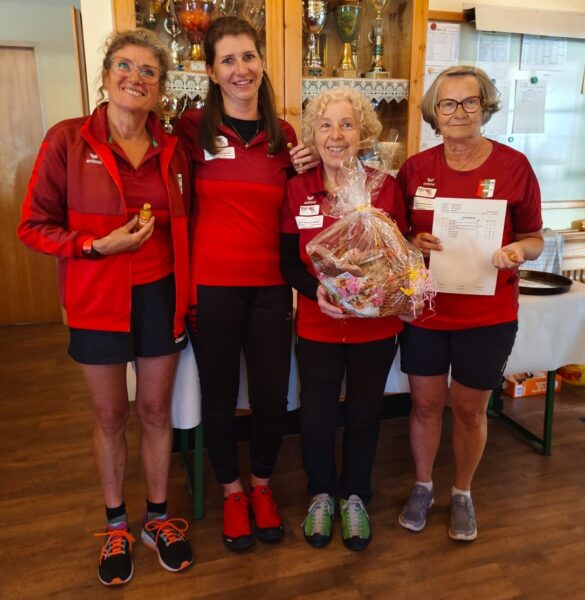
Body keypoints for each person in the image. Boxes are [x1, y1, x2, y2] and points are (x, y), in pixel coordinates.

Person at [18, 29, 193, 586]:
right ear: (105, 74)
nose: (135, 78)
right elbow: (33, 226)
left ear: (160, 88)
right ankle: (117, 523)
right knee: (111, 416)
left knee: (156, 413)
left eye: (148, 72)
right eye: (125, 66)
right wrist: (95, 245)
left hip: (160, 294)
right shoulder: (68, 140)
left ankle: (157, 519)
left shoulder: (173, 148)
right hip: (96, 299)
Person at [174, 16, 317, 553]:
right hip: (212, 288)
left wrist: (310, 166)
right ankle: (231, 493)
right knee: (217, 395)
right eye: (228, 60)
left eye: (249, 56)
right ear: (211, 72)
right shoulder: (192, 129)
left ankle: (260, 485)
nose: (241, 69)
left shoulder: (286, 135)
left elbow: (302, 204)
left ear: (262, 63)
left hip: (271, 287)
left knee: (271, 395)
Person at [396, 65, 543, 541]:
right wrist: (411, 239)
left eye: (469, 102)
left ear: (485, 107)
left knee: (468, 409)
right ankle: (423, 486)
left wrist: (517, 251)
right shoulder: (415, 168)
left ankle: (462, 491)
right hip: (426, 313)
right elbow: (398, 234)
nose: (458, 112)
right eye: (448, 103)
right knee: (424, 405)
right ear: (434, 112)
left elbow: (535, 237)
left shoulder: (514, 166)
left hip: (487, 315)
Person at [281, 87, 410, 551]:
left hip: (375, 328)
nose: (336, 135)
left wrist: (384, 282)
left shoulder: (385, 187)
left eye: (347, 124)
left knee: (364, 413)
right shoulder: (298, 188)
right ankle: (321, 493)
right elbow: (287, 262)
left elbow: (401, 254)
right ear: (313, 136)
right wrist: (314, 290)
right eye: (325, 125)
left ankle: (355, 495)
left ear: (363, 133)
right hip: (317, 324)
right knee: (316, 414)